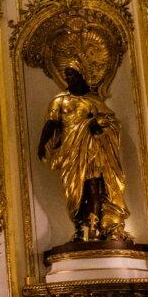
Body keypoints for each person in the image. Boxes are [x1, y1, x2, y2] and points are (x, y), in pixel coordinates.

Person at [37, 61, 129, 242]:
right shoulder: (59, 101)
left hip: (93, 152)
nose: (68, 78)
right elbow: (52, 124)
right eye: (66, 75)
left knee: (94, 186)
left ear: (80, 75)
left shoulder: (93, 101)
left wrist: (98, 126)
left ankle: (94, 227)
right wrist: (42, 144)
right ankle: (80, 226)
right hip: (71, 154)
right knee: (75, 191)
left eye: (72, 74)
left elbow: (112, 123)